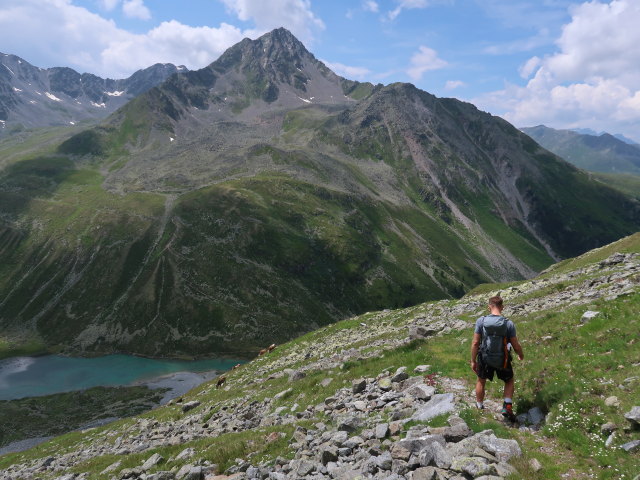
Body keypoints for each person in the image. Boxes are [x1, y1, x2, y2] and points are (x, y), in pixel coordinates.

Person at [470, 296, 524, 420]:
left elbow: (475, 343)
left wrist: (473, 360)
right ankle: (507, 405)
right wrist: (520, 354)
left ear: (489, 306)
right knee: (509, 380)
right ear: (502, 307)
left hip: (484, 357)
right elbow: (515, 344)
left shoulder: (481, 321)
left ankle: (479, 406)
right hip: (503, 358)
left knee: (481, 380)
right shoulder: (508, 323)